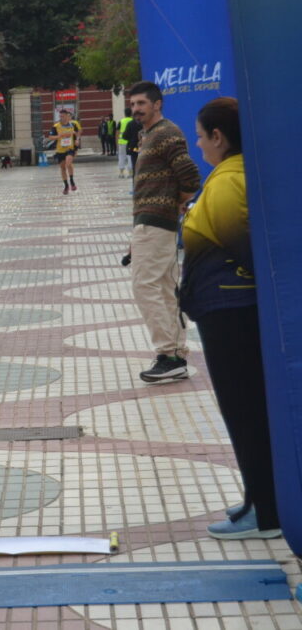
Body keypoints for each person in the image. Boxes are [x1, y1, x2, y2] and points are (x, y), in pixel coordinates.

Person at [180, 97, 280, 540]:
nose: (199, 145)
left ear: (219, 138)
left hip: (231, 312)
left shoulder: (226, 183)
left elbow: (249, 252)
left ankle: (267, 509)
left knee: (245, 411)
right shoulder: (234, 177)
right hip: (229, 310)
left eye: (201, 137)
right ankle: (259, 499)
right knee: (246, 410)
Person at [127, 80, 200, 382]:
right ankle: (176, 355)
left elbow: (190, 177)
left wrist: (179, 201)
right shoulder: (151, 135)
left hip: (156, 222)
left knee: (145, 286)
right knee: (164, 287)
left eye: (141, 104)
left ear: (157, 104)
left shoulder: (166, 133)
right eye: (132, 105)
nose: (136, 110)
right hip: (152, 221)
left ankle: (167, 354)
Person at [50, 108, 80, 194]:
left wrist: (77, 140)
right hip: (60, 150)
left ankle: (72, 180)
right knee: (63, 168)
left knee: (68, 163)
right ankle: (66, 185)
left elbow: (77, 133)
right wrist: (59, 136)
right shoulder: (56, 126)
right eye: (60, 116)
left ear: (67, 116)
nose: (61, 118)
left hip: (70, 148)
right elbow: (50, 137)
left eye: (63, 116)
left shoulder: (73, 125)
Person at [117, 107, 134, 178]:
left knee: (121, 156)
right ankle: (130, 173)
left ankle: (121, 173)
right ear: (131, 113)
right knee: (130, 156)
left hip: (121, 142)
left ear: (125, 114)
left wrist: (117, 142)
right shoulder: (133, 121)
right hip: (130, 142)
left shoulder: (121, 121)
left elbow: (117, 132)